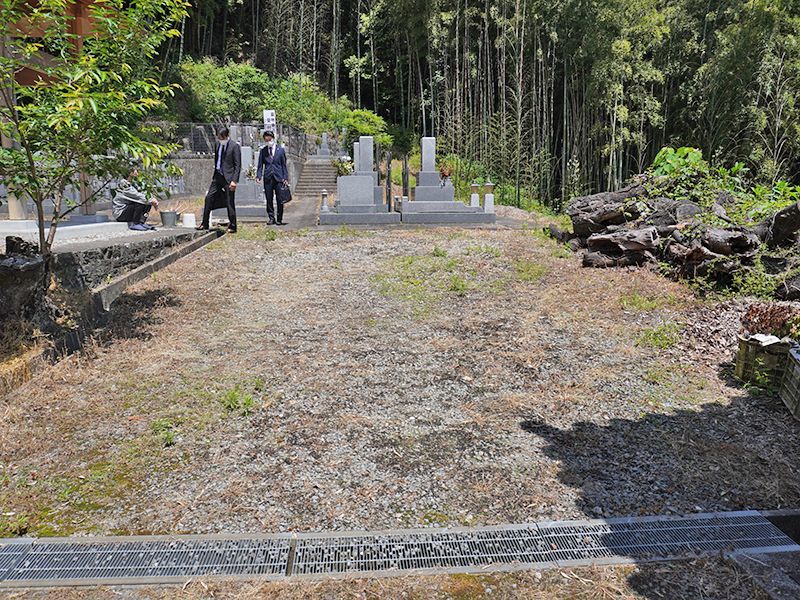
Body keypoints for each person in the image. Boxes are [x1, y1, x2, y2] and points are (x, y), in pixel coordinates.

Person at [198, 126, 241, 233]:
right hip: (217, 176)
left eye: (222, 137)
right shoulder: (217, 144)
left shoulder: (234, 146)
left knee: (229, 201)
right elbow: (217, 159)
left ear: (227, 136)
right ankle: (204, 223)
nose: (220, 139)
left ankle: (233, 225)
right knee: (209, 198)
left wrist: (234, 181)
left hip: (229, 177)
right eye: (219, 137)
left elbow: (238, 165)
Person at [256, 130, 289, 226]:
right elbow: (260, 165)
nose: (268, 141)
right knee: (269, 199)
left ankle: (279, 218)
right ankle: (271, 218)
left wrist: (285, 177)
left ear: (273, 138)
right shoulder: (263, 151)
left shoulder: (280, 150)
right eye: (266, 140)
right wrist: (259, 176)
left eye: (269, 139)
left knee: (280, 199)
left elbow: (283, 165)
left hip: (279, 177)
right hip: (268, 177)